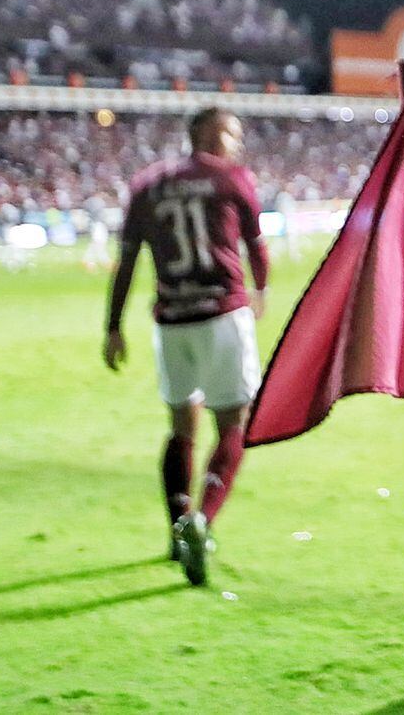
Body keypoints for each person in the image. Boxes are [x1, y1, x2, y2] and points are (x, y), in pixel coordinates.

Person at [102, 107, 268, 587]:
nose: (237, 143)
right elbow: (256, 245)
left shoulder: (147, 184)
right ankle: (202, 521)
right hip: (222, 314)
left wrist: (113, 326)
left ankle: (177, 526)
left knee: (181, 426)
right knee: (234, 423)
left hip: (172, 320)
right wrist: (261, 288)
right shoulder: (233, 179)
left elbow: (127, 260)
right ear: (209, 134)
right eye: (231, 133)